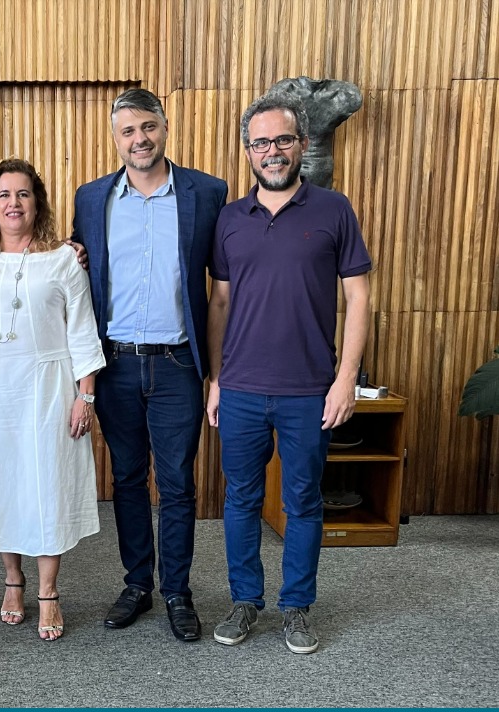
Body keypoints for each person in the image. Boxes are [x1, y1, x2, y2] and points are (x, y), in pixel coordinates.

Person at [206, 93, 371, 654]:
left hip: (309, 390)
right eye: (260, 143)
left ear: (300, 145)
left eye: (282, 140)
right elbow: (220, 304)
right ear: (248, 151)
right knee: (241, 501)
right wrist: (216, 377)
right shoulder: (231, 218)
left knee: (302, 502)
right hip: (243, 389)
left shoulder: (334, 210)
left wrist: (345, 377)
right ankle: (245, 600)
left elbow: (358, 295)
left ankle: (296, 607)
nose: (272, 152)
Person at [71, 88, 227, 641]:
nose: (139, 139)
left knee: (179, 485)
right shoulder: (91, 198)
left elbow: (223, 290)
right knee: (129, 479)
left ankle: (178, 592)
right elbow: (77, 273)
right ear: (116, 140)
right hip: (114, 365)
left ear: (166, 126)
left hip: (179, 366)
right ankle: (137, 582)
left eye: (148, 127)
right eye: (127, 131)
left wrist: (217, 372)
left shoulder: (208, 193)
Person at [0, 158, 105, 641]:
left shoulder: (64, 259)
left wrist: (85, 395)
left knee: (46, 486)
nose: (13, 203)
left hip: (48, 390)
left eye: (23, 194)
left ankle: (48, 591)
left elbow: (82, 330)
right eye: (4, 194)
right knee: (2, 485)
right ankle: (12, 580)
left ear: (37, 202)